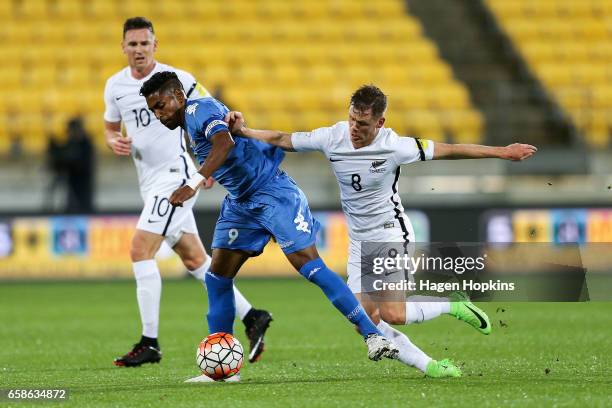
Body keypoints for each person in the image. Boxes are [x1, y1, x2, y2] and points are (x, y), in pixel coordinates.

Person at [225, 84, 538, 378]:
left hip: (390, 232)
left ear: (380, 122)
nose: (354, 129)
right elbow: (283, 139)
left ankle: (453, 304)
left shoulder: (395, 146)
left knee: (394, 313)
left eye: (362, 124)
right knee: (365, 320)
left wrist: (502, 151)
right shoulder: (333, 137)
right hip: (359, 240)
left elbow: (451, 148)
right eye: (351, 119)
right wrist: (244, 131)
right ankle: (431, 366)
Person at [140, 72, 407, 383]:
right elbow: (224, 148)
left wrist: (195, 181)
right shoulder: (188, 124)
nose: (159, 114)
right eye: (153, 110)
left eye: (161, 105)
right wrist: (212, 173)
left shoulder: (198, 111)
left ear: (178, 96)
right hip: (241, 202)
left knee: (309, 266)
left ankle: (373, 336)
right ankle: (223, 370)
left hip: (273, 193)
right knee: (217, 277)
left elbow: (223, 142)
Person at [103, 17, 272, 367]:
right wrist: (112, 140)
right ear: (123, 47)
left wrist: (205, 168)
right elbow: (108, 127)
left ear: (155, 45)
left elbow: (215, 116)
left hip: (175, 176)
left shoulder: (179, 80)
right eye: (132, 44)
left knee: (139, 249)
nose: (138, 50)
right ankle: (253, 316)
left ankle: (149, 342)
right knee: (195, 260)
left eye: (144, 44)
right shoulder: (114, 86)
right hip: (148, 179)